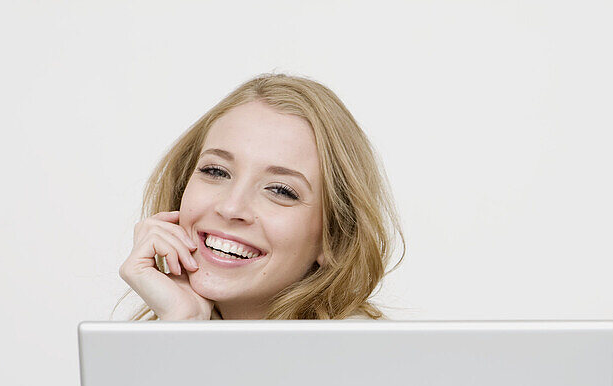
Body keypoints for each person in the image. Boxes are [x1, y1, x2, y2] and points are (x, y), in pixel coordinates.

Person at [113, 73, 403, 321]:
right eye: (216, 171)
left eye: (280, 190)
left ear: (335, 238)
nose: (230, 207)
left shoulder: (371, 369)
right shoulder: (155, 341)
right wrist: (184, 325)